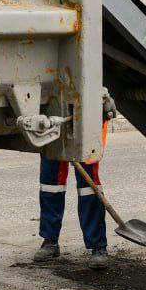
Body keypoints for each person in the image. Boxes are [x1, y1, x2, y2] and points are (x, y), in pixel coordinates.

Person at [35, 92, 116, 270]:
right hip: (53, 112)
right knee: (50, 183)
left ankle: (98, 247)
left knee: (89, 186)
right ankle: (50, 241)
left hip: (89, 113)